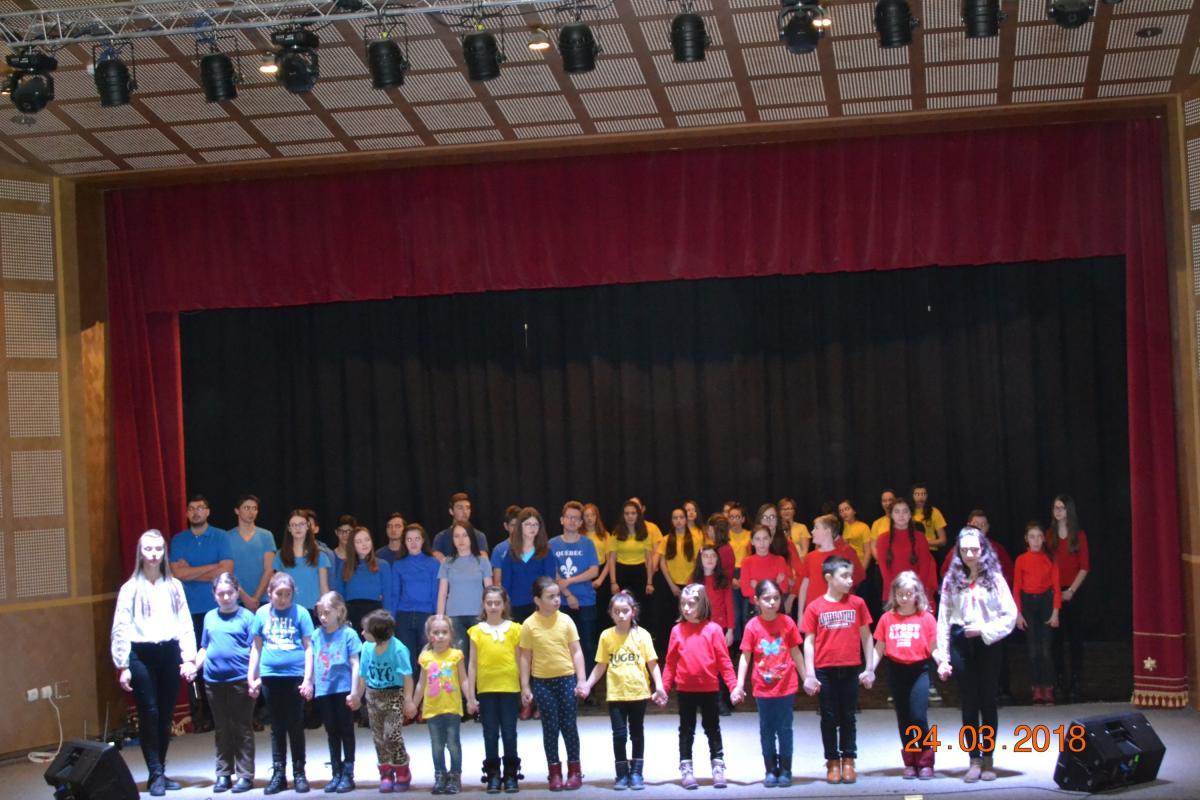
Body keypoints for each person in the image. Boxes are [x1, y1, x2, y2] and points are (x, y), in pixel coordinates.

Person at [111, 529, 198, 797]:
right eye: (148, 549)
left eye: (158, 549)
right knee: (149, 713)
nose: (153, 554)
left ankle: (159, 769)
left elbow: (185, 622)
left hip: (169, 652)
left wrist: (189, 658)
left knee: (165, 715)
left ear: (164, 553)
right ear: (140, 553)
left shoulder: (174, 586)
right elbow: (121, 627)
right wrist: (122, 665)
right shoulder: (130, 588)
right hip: (141, 655)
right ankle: (155, 773)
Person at [935, 527, 1017, 783]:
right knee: (969, 702)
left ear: (983, 550)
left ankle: (988, 757)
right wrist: (943, 657)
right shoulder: (951, 579)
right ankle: (974, 758)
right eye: (964, 550)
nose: (969, 554)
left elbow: (1010, 615)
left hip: (987, 642)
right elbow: (943, 619)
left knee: (988, 700)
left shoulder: (995, 578)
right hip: (961, 642)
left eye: (974, 549)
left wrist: (985, 629)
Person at [579, 590, 667, 790]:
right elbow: (601, 665)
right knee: (619, 735)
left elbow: (652, 663)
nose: (621, 615)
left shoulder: (643, 635)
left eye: (625, 611)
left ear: (633, 611)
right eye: (616, 611)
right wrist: (588, 685)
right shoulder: (606, 636)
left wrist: (660, 686)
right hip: (616, 694)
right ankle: (621, 773)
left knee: (637, 733)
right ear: (611, 613)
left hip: (638, 693)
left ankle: (636, 772)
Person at [800, 555, 873, 786]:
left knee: (848, 716)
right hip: (825, 670)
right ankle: (832, 760)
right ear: (829, 578)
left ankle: (849, 759)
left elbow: (866, 636)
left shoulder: (857, 603)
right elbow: (809, 641)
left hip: (850, 668)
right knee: (829, 717)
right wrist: (810, 673)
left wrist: (870, 667)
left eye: (851, 575)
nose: (850, 580)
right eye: (844, 576)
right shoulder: (815, 607)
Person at [662, 583, 742, 790]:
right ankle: (686, 768)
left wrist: (733, 687)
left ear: (703, 604)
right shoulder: (677, 630)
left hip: (709, 689)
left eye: (691, 604)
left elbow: (724, 662)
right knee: (686, 730)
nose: (686, 608)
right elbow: (670, 663)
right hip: (685, 690)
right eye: (683, 604)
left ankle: (718, 766)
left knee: (712, 728)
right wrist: (664, 688)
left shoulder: (714, 630)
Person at [248, 572, 315, 795]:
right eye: (279, 594)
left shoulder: (301, 613)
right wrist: (252, 677)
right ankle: (279, 773)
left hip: (294, 676)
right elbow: (256, 647)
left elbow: (309, 648)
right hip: (270, 676)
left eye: (288, 594)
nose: (283, 599)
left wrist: (308, 679)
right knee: (276, 726)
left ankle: (299, 772)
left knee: (295, 723)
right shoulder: (261, 613)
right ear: (269, 593)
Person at [519, 576, 587, 791]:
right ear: (537, 600)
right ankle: (554, 772)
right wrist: (525, 686)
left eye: (558, 595)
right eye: (551, 596)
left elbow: (576, 651)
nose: (557, 600)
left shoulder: (566, 620)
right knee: (550, 727)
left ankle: (575, 770)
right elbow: (525, 657)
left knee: (569, 725)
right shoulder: (529, 625)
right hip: (542, 683)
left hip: (566, 679)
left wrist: (581, 680)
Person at [867, 570, 938, 780]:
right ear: (894, 595)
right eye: (900, 595)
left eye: (908, 594)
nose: (904, 598)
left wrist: (942, 663)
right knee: (904, 717)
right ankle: (909, 760)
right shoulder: (887, 618)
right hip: (896, 670)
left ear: (917, 594)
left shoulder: (926, 618)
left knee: (918, 716)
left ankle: (925, 759)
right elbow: (879, 648)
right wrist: (870, 669)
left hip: (919, 670)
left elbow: (933, 647)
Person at [170, 495, 231, 732]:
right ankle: (201, 715)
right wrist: (213, 567)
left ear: (208, 512)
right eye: (192, 509)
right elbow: (177, 574)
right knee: (194, 663)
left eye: (201, 508)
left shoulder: (221, 537)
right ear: (187, 513)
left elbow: (226, 570)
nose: (196, 512)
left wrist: (191, 571)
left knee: (219, 660)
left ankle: (222, 714)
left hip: (217, 608)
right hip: (188, 611)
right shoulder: (179, 540)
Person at [736, 580, 803, 788]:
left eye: (776, 598)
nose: (772, 602)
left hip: (786, 686)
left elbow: (795, 652)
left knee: (785, 729)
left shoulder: (787, 623)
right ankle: (770, 769)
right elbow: (745, 657)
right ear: (756, 600)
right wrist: (739, 684)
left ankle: (786, 769)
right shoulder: (752, 626)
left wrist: (807, 677)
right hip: (763, 688)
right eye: (767, 599)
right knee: (766, 729)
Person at [195, 573, 256, 793]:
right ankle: (223, 773)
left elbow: (255, 649)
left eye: (230, 592)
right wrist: (194, 666)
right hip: (213, 680)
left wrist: (253, 678)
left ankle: (245, 775)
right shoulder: (210, 617)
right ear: (214, 594)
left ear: (237, 592)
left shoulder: (247, 617)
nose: (226, 597)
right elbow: (205, 647)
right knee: (222, 727)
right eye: (221, 593)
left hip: (240, 679)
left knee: (241, 727)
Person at [349, 609, 415, 792]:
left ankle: (401, 768)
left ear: (377, 633)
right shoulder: (366, 647)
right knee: (378, 736)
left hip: (394, 695)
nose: (362, 633)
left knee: (391, 734)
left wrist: (408, 700)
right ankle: (385, 772)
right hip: (373, 696)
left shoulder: (398, 649)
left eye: (366, 630)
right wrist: (357, 695)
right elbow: (363, 676)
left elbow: (407, 677)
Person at [467, 586, 524, 793]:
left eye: (497, 603)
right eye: (489, 603)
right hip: (486, 689)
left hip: (509, 687)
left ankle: (510, 773)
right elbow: (472, 664)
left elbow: (520, 659)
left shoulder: (515, 629)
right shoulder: (476, 631)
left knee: (509, 732)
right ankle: (492, 773)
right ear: (483, 604)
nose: (493, 606)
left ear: (504, 605)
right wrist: (470, 695)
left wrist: (524, 686)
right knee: (490, 733)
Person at [414, 615, 469, 794]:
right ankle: (440, 775)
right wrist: (414, 703)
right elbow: (421, 683)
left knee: (453, 743)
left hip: (452, 708)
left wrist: (470, 698)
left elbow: (464, 679)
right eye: (436, 632)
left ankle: (455, 776)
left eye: (444, 632)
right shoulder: (426, 657)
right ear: (429, 635)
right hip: (432, 709)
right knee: (437, 745)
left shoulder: (456, 656)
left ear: (451, 634)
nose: (440, 636)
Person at [312, 591, 360, 793]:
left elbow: (355, 663)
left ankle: (348, 772)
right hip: (324, 689)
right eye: (320, 614)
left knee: (345, 730)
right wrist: (309, 683)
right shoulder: (316, 635)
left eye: (327, 613)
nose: (323, 617)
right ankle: (336, 772)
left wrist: (355, 691)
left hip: (343, 689)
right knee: (331, 731)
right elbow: (312, 661)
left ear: (339, 611)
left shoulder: (349, 634)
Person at [550, 501, 601, 681]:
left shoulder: (587, 544)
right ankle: (567, 684)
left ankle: (587, 686)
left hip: (586, 601)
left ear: (580, 523)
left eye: (576, 519)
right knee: (562, 646)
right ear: (562, 520)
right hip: (561, 603)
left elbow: (594, 571)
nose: (572, 521)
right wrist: (568, 594)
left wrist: (570, 580)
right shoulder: (552, 544)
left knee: (587, 645)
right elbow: (552, 572)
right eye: (569, 517)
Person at [1014, 522, 1061, 705]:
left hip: (1046, 602)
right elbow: (1017, 588)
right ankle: (1036, 688)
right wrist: (1018, 613)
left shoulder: (1049, 559)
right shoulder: (1021, 560)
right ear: (1026, 539)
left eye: (1039, 537)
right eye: (1032, 537)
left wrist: (1055, 612)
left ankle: (1048, 687)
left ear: (1044, 539)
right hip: (1028, 603)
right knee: (1033, 649)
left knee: (1046, 648)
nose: (1036, 540)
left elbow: (1056, 588)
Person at [1048, 494, 1089, 703]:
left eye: (1062, 508)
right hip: (1054, 592)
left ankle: (1076, 680)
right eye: (1056, 508)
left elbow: (1084, 567)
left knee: (1075, 638)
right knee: (1055, 639)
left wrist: (1071, 590)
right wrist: (1055, 591)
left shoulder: (1078, 535)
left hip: (1073, 592)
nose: (1058, 511)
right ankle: (1058, 678)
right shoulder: (1049, 535)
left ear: (1069, 511)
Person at [390, 522, 441, 678]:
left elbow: (436, 593)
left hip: (426, 615)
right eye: (409, 539)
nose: (413, 543)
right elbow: (394, 594)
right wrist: (391, 619)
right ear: (404, 542)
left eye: (417, 539)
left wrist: (436, 618)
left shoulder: (433, 563)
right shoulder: (398, 565)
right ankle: (409, 693)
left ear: (423, 540)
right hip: (404, 616)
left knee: (427, 659)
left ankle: (426, 693)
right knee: (407, 660)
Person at [437, 522, 493, 657]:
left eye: (464, 535)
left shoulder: (482, 561)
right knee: (459, 658)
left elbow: (490, 592)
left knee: (480, 657)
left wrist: (492, 615)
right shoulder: (447, 562)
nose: (461, 540)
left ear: (471, 537)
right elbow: (442, 593)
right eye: (456, 536)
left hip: (479, 615)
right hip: (454, 616)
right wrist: (439, 618)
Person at [498, 507, 560, 622]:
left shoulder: (545, 551)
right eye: (528, 524)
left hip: (539, 607)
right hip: (515, 607)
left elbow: (549, 581)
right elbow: (506, 583)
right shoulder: (511, 553)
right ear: (520, 526)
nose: (532, 528)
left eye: (535, 524)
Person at [874, 497, 938, 604]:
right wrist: (898, 592)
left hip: (915, 594)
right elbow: (885, 571)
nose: (901, 515)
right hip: (892, 594)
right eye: (897, 512)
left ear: (910, 515)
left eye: (905, 511)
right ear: (891, 515)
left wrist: (913, 590)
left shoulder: (920, 538)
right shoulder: (883, 539)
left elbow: (924, 568)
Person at [797, 515, 865, 616]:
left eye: (816, 528)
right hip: (815, 612)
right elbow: (804, 586)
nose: (812, 531)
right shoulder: (810, 557)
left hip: (838, 612)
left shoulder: (844, 554)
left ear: (827, 531)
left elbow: (857, 576)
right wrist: (800, 615)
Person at [607, 501, 655, 639]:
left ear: (638, 515)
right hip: (622, 573)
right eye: (627, 513)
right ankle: (621, 638)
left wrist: (649, 582)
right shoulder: (616, 533)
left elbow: (649, 559)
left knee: (639, 609)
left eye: (633, 513)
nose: (630, 516)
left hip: (640, 574)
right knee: (621, 608)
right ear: (623, 515)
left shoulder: (644, 533)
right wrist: (613, 582)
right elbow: (612, 560)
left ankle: (640, 640)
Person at [336, 526, 393, 635]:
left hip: (375, 614)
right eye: (359, 541)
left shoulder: (383, 565)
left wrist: (388, 621)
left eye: (367, 540)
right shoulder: (345, 565)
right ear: (352, 545)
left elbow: (388, 596)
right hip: (351, 613)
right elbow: (339, 594)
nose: (364, 544)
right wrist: (340, 617)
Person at [274, 510, 332, 615]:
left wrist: (326, 609)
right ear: (289, 528)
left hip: (313, 611)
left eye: (301, 524)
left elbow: (324, 587)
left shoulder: (320, 556)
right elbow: (277, 587)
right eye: (294, 525)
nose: (298, 528)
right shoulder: (280, 555)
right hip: (288, 610)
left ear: (308, 526)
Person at [226, 494, 276, 610]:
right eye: (247, 508)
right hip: (235, 599)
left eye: (254, 508)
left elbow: (269, 569)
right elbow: (226, 571)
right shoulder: (226, 537)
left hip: (263, 599)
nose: (251, 512)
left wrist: (255, 598)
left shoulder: (266, 536)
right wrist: (245, 598)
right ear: (237, 511)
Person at [740, 525, 791, 613]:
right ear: (752, 542)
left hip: (776, 607)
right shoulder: (747, 562)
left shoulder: (779, 560)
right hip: (755, 608)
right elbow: (745, 591)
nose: (762, 543)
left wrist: (757, 586)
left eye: (765, 538)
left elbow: (784, 588)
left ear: (770, 540)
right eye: (758, 539)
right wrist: (775, 583)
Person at [433, 492, 490, 560]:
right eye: (460, 508)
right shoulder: (441, 537)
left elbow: (483, 559)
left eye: (468, 508)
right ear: (451, 511)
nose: (465, 511)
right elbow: (437, 557)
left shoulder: (479, 536)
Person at [583, 503, 612, 625]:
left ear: (597, 517)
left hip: (601, 573)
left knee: (601, 608)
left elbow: (609, 560)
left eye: (592, 515)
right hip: (584, 572)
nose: (589, 518)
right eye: (586, 515)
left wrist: (600, 579)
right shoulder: (579, 535)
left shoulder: (605, 535)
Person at [911, 483, 949, 561]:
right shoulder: (907, 512)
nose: (920, 497)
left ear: (927, 496)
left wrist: (924, 542)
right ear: (912, 496)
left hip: (930, 551)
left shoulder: (934, 512)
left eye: (923, 494)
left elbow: (943, 540)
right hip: (911, 552)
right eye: (917, 494)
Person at [837, 500, 873, 571]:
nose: (844, 513)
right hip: (844, 568)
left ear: (854, 511)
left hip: (859, 565)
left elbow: (868, 551)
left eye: (847, 509)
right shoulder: (840, 528)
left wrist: (863, 569)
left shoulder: (863, 527)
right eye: (841, 511)